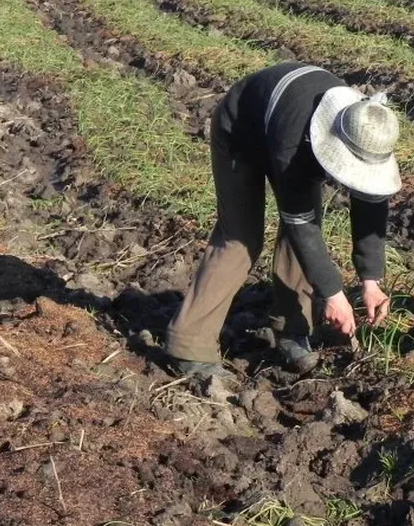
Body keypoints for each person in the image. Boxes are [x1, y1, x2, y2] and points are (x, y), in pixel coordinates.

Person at [165, 62, 401, 378]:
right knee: (241, 238)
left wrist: (370, 281)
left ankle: (291, 329)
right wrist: (333, 295)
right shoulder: (295, 143)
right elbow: (301, 225)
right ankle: (188, 345)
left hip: (285, 124)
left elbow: (371, 204)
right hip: (242, 131)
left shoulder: (367, 131)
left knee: (303, 233)